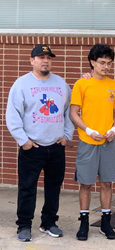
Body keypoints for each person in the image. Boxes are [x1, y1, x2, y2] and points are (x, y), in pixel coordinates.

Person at [6, 44, 74, 242]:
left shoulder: (61, 84)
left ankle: (49, 222)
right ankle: (24, 225)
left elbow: (69, 112)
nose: (45, 61)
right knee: (27, 188)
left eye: (49, 57)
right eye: (41, 57)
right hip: (32, 147)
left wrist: (67, 135)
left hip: (55, 146)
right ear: (32, 60)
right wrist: (23, 141)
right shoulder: (21, 84)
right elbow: (13, 115)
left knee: (54, 187)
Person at [70, 44, 115, 241]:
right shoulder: (81, 84)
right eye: (102, 63)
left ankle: (105, 222)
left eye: (109, 63)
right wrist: (88, 130)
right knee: (85, 183)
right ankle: (84, 222)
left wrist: (114, 129)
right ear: (92, 62)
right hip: (88, 141)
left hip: (108, 142)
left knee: (107, 182)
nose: (106, 67)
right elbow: (73, 113)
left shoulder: (114, 85)